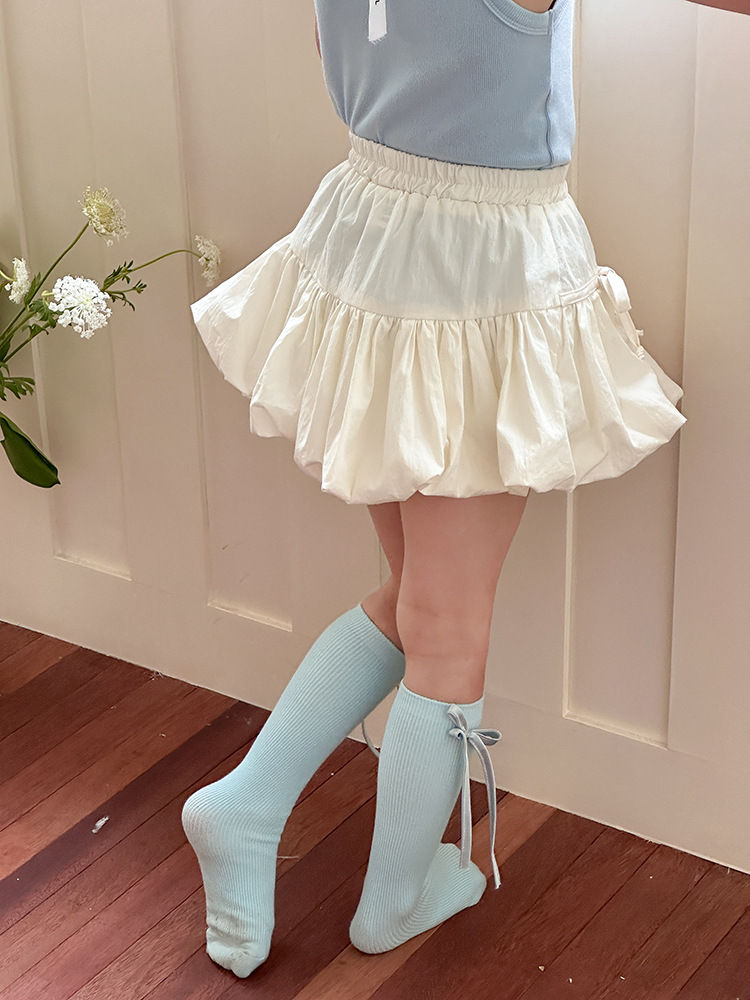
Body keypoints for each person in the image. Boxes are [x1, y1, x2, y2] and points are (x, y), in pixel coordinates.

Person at [182, 0, 687, 978]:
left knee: (418, 598)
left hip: (370, 236)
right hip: (480, 269)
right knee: (449, 626)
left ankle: (244, 804)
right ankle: (395, 897)